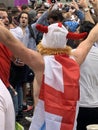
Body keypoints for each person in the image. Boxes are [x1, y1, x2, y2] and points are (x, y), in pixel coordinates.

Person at [0, 21, 98, 130]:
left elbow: (9, 40)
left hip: (44, 124)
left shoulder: (41, 63)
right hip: (67, 124)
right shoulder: (75, 60)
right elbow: (90, 40)